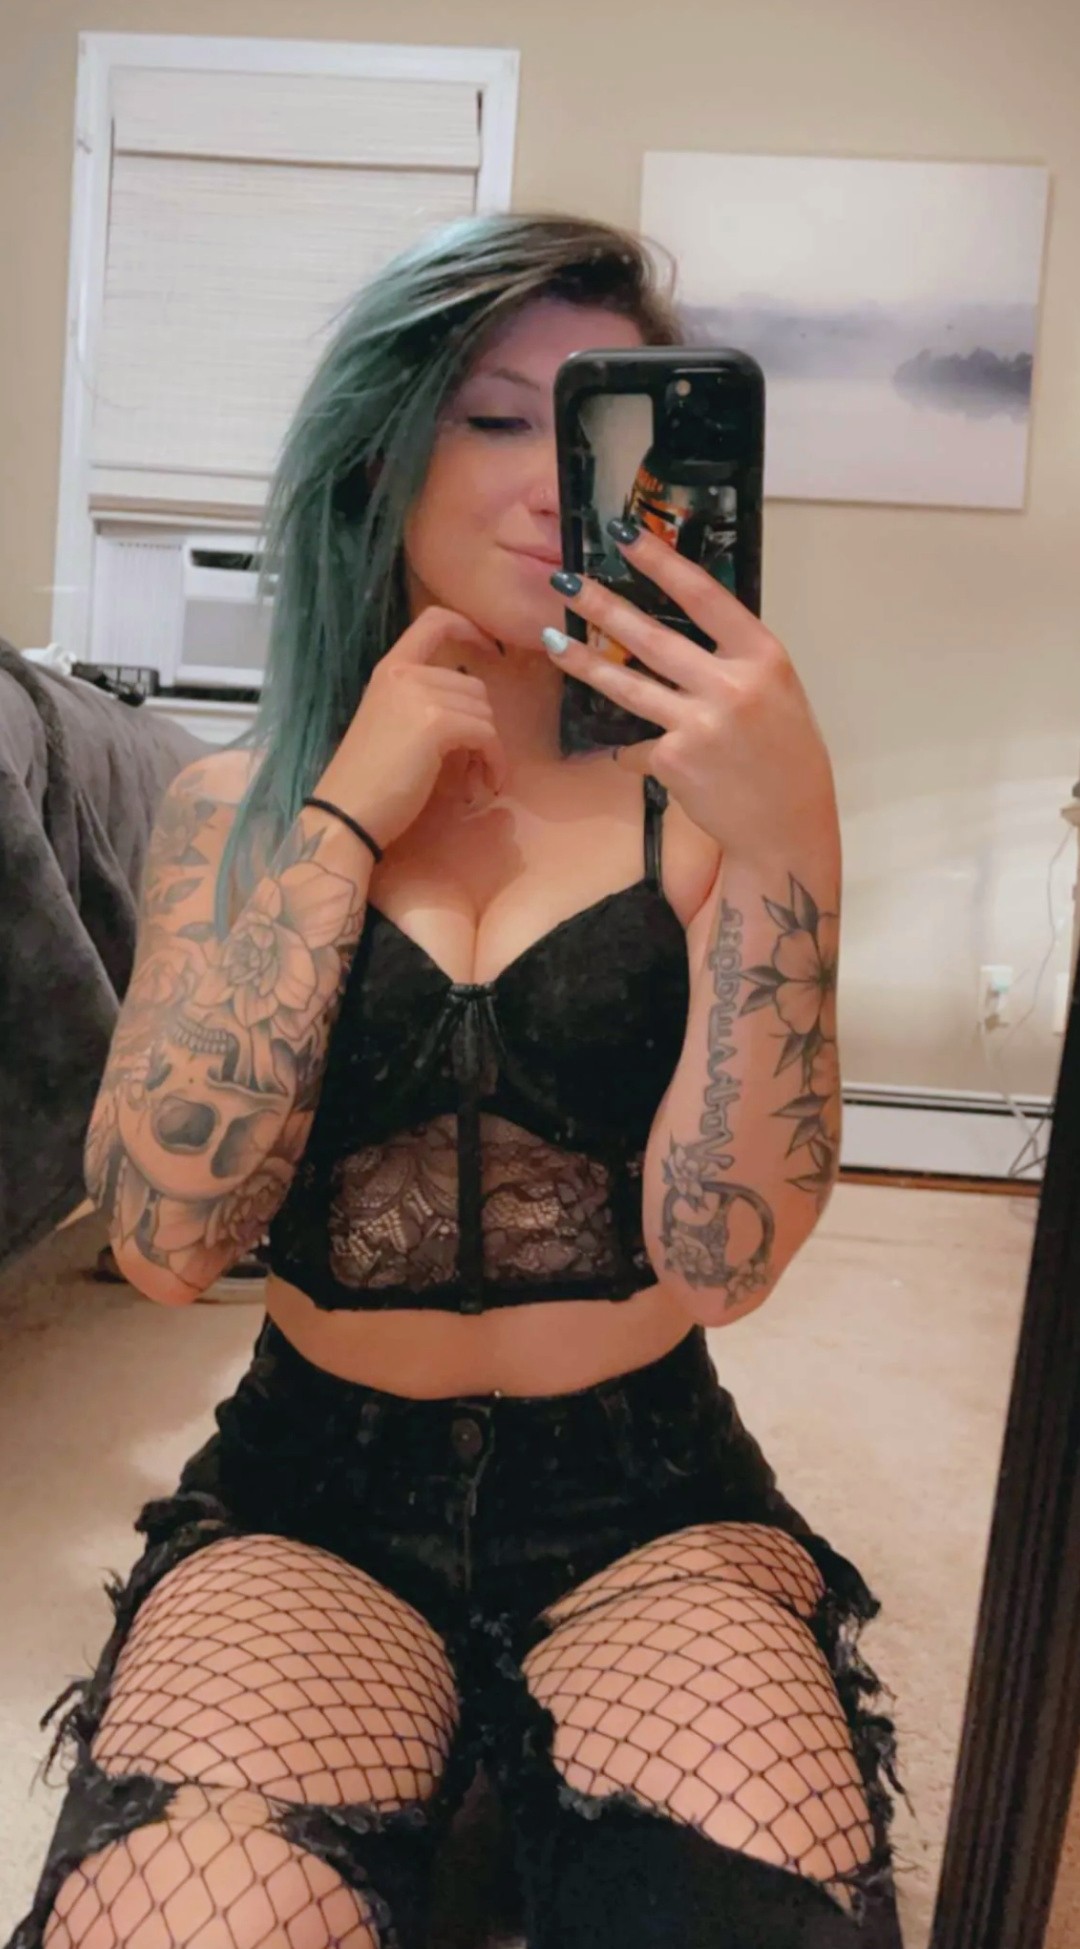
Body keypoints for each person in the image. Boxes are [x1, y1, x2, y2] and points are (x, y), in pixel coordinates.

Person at [8, 213, 903, 1949]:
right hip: (313, 1495)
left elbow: (723, 1257)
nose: (553, 485)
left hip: (645, 1496)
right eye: (496, 418)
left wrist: (794, 844)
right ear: (382, 453)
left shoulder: (710, 804)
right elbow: (165, 1242)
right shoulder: (230, 808)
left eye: (602, 433)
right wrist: (345, 813)